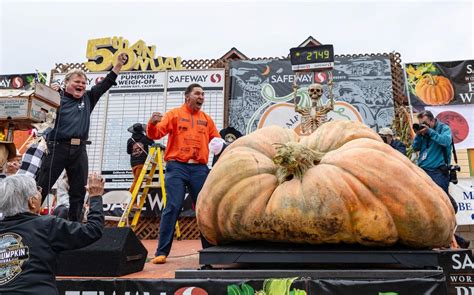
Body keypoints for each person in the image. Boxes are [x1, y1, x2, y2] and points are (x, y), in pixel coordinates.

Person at [36, 52, 127, 221]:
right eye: (77, 82)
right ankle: (27, 223)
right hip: (57, 147)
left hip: (79, 149)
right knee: (42, 186)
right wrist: (51, 92)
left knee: (78, 191)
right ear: (66, 83)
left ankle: (74, 227)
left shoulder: (88, 98)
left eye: (83, 83)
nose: (81, 85)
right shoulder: (56, 97)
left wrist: (118, 65)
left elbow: (106, 83)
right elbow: (38, 104)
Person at [146, 83, 221, 264]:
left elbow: (217, 141)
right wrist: (152, 123)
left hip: (199, 169)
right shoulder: (174, 115)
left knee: (204, 209)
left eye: (203, 94)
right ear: (187, 97)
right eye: (197, 93)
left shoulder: (206, 119)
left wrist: (226, 146)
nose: (201, 97)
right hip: (176, 167)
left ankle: (209, 252)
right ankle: (161, 253)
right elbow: (156, 134)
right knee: (172, 206)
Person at [0, 173, 105, 294]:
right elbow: (93, 230)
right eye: (38, 190)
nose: (40, 193)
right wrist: (96, 196)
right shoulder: (46, 225)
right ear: (32, 202)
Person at [412, 110, 469, 248]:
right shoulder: (426, 133)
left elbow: (445, 141)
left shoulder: (443, 128)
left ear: (432, 121)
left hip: (438, 172)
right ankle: (455, 238)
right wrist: (420, 135)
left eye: (425, 123)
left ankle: (451, 239)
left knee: (439, 206)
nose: (423, 126)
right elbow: (415, 147)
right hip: (424, 172)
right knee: (430, 206)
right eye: (421, 124)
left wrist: (430, 133)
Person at [127, 123, 154, 192]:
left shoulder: (130, 140)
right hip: (141, 162)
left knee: (138, 181)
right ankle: (128, 199)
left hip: (133, 163)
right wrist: (147, 133)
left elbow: (129, 152)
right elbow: (153, 143)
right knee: (137, 181)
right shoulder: (144, 138)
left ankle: (134, 201)